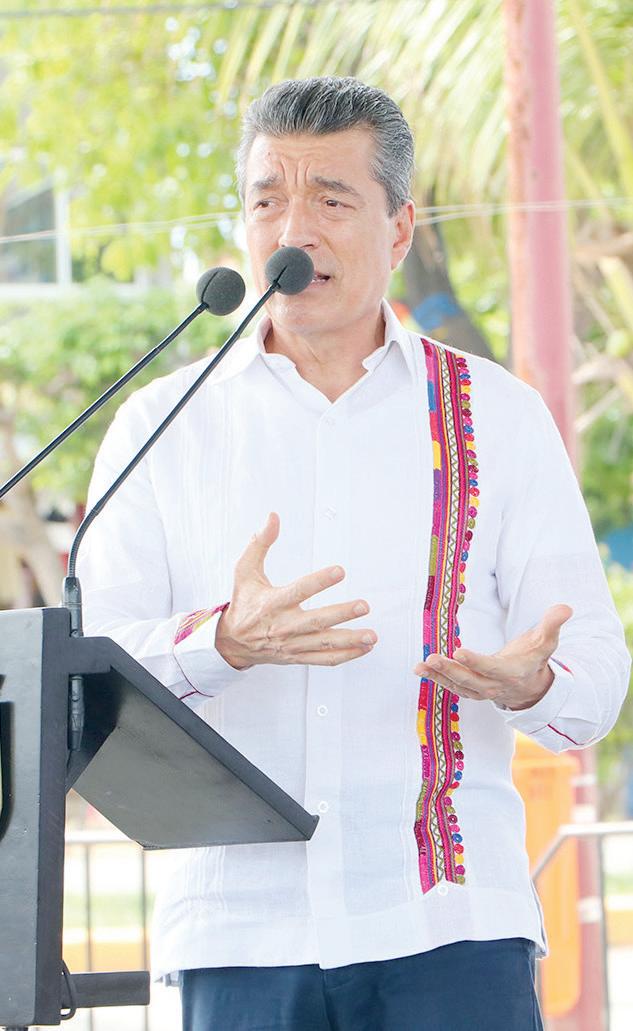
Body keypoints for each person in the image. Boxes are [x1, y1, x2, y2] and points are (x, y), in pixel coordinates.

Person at [79, 77, 631, 1031]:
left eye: (331, 200)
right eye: (267, 200)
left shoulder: (498, 416)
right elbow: (90, 676)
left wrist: (531, 684)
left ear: (400, 228)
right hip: (239, 932)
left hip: (451, 922)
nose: (293, 230)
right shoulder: (159, 425)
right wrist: (222, 641)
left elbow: (593, 686)